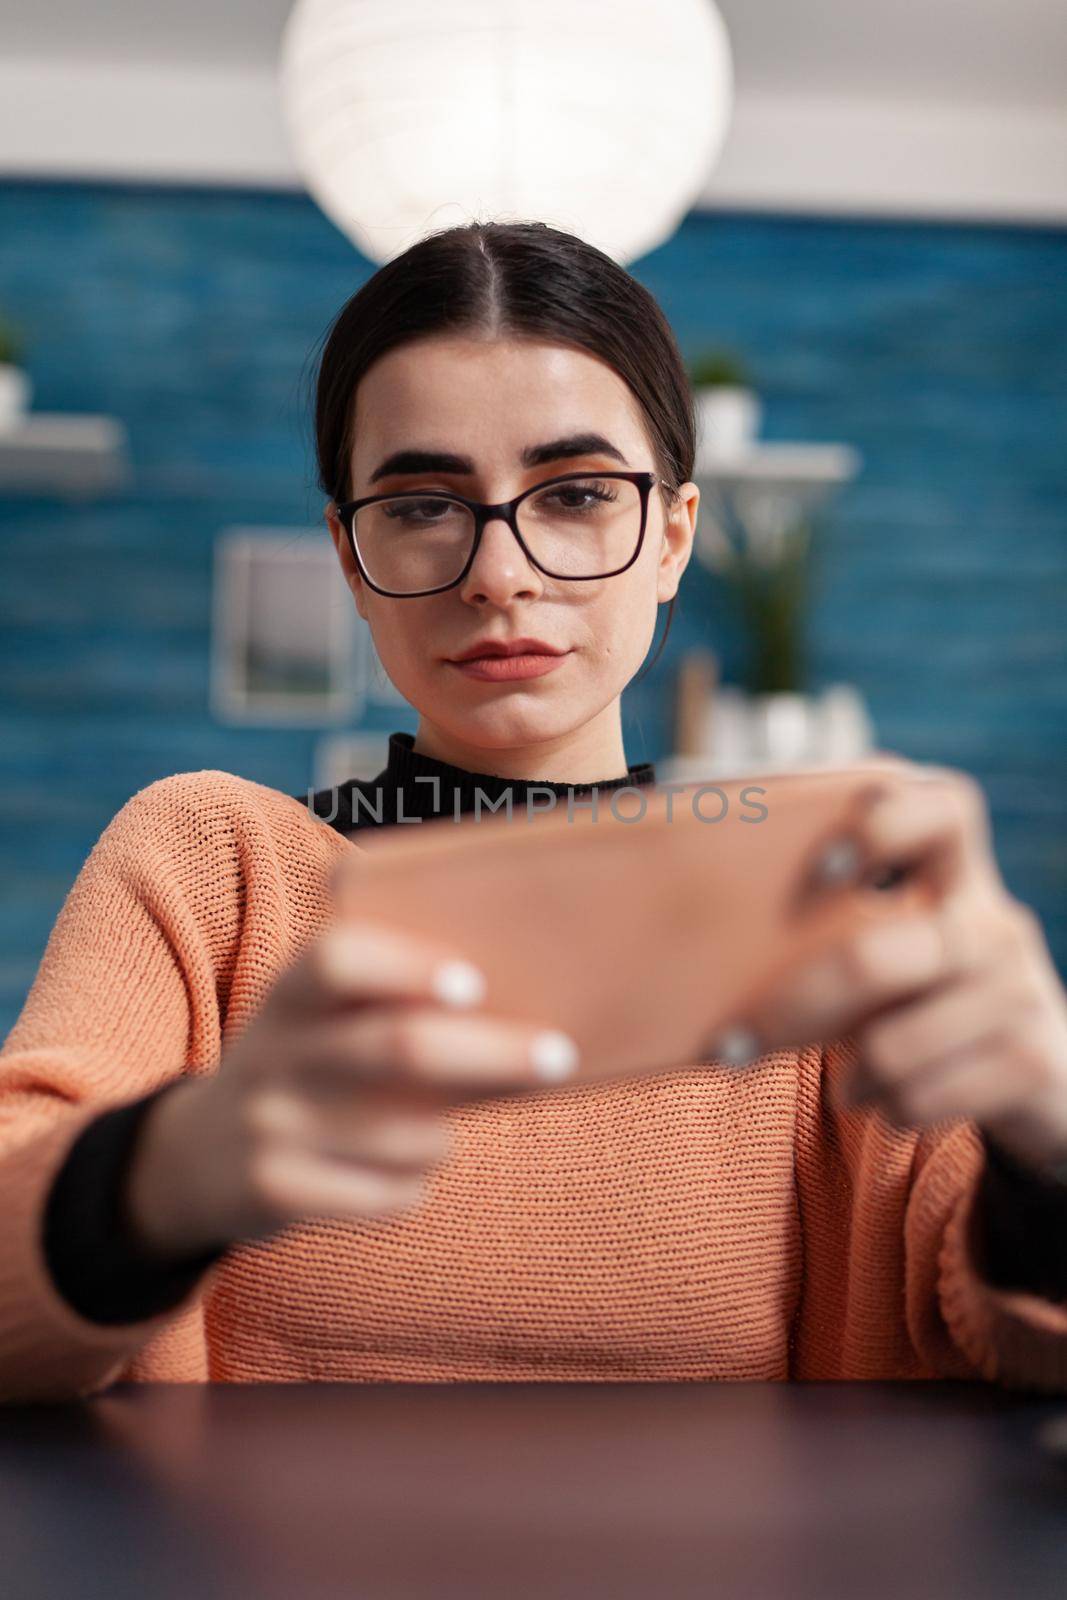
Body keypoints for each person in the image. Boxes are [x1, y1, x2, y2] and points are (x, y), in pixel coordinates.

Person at [1, 220, 1066, 1405]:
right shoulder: (212, 864)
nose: (496, 573)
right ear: (349, 561)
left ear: (670, 535)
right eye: (418, 506)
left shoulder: (812, 903)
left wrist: (1048, 1136)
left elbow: (1012, 1342)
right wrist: (166, 1173)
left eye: (572, 494)